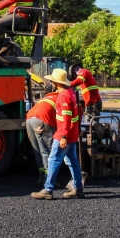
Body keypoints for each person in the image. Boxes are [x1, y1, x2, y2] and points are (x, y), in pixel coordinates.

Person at [31, 68, 85, 200]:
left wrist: (63, 136)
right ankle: (78, 188)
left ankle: (48, 189)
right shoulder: (71, 93)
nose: (50, 82)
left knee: (53, 159)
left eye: (52, 81)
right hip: (72, 134)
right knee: (72, 161)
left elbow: (66, 118)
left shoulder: (63, 96)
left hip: (63, 134)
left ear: (56, 82)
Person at [26, 92, 58, 185]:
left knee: (37, 150)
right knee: (46, 151)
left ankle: (41, 175)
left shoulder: (46, 98)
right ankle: (48, 179)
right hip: (42, 119)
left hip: (29, 119)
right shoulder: (63, 98)